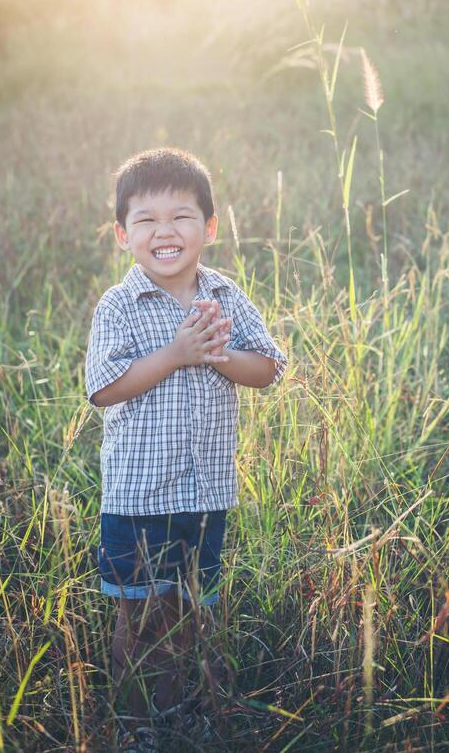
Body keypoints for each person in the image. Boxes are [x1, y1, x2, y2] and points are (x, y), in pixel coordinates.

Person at [85, 147, 286, 750]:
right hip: (139, 496)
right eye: (145, 220)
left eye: (181, 217)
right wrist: (176, 353)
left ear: (210, 229)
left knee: (194, 610)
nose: (164, 231)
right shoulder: (119, 306)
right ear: (123, 235)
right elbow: (102, 388)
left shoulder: (225, 295)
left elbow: (270, 368)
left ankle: (187, 711)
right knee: (139, 617)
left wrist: (217, 354)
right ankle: (139, 723)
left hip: (206, 496)